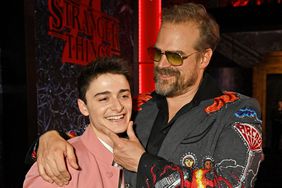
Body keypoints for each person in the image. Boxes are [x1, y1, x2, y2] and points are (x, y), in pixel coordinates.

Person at [28, 3, 263, 187]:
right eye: (157, 52)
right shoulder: (140, 104)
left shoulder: (236, 110)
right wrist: (50, 138)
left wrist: (142, 164)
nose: (161, 64)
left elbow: (232, 183)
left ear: (204, 58)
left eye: (175, 57)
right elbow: (89, 138)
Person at [24, 57, 133, 187]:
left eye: (124, 96)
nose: (118, 106)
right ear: (83, 107)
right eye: (104, 99)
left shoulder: (144, 145)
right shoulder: (59, 164)